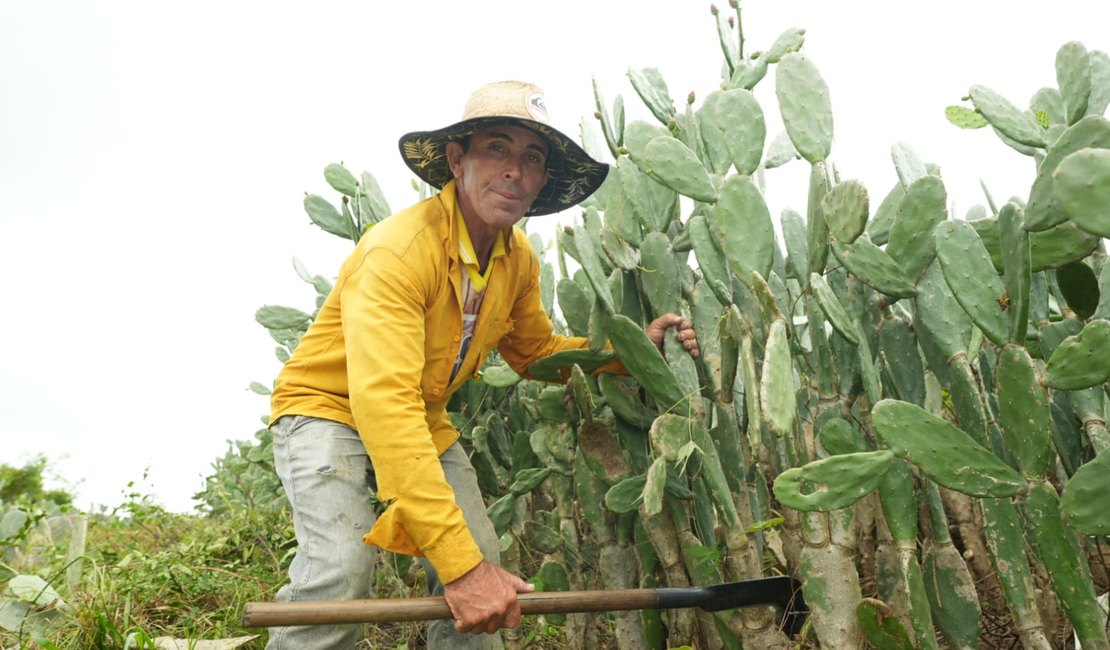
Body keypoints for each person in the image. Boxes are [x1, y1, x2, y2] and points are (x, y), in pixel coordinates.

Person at [265, 80, 699, 650]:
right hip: (326, 409)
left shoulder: (517, 260)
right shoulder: (399, 252)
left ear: (543, 180)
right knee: (341, 573)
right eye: (497, 148)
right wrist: (462, 571)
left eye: (533, 158)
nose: (514, 170)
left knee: (481, 558)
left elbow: (534, 353)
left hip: (420, 417)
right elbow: (384, 403)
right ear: (457, 159)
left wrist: (631, 353)